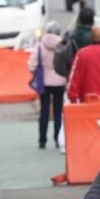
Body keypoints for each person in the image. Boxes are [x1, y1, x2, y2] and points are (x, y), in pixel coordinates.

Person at [28, 21, 68, 149]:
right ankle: (57, 138)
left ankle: (42, 139)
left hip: (44, 82)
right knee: (57, 111)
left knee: (44, 110)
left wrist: (36, 73)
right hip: (60, 81)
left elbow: (31, 64)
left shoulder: (39, 45)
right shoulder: (63, 45)